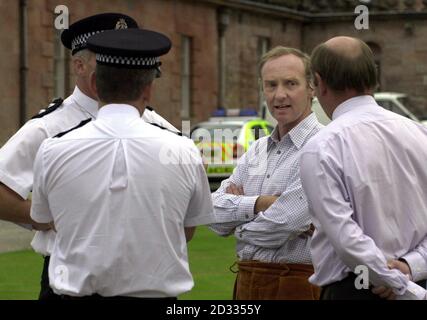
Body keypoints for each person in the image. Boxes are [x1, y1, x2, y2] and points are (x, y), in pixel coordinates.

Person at [0, 13, 177, 300]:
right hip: (72, 280)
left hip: (148, 277)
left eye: (128, 55)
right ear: (79, 66)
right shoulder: (48, 127)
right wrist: (46, 218)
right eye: (108, 57)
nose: (120, 64)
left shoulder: (160, 127)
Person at [30, 28, 214, 299]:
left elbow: (42, 219)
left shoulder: (53, 149)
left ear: (94, 83)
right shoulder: (183, 149)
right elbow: (186, 231)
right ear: (148, 89)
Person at [299, 36, 427, 300]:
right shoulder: (420, 133)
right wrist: (409, 269)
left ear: (319, 83)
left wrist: (401, 283)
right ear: (374, 78)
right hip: (413, 280)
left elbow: (347, 240)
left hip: (359, 290)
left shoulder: (321, 147)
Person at [209, 46, 323, 300]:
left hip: (299, 285)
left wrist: (237, 218)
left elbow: (282, 224)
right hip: (246, 282)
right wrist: (260, 204)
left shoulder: (322, 146)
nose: (279, 95)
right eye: (271, 85)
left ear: (312, 88)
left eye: (290, 83)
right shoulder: (258, 149)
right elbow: (213, 214)